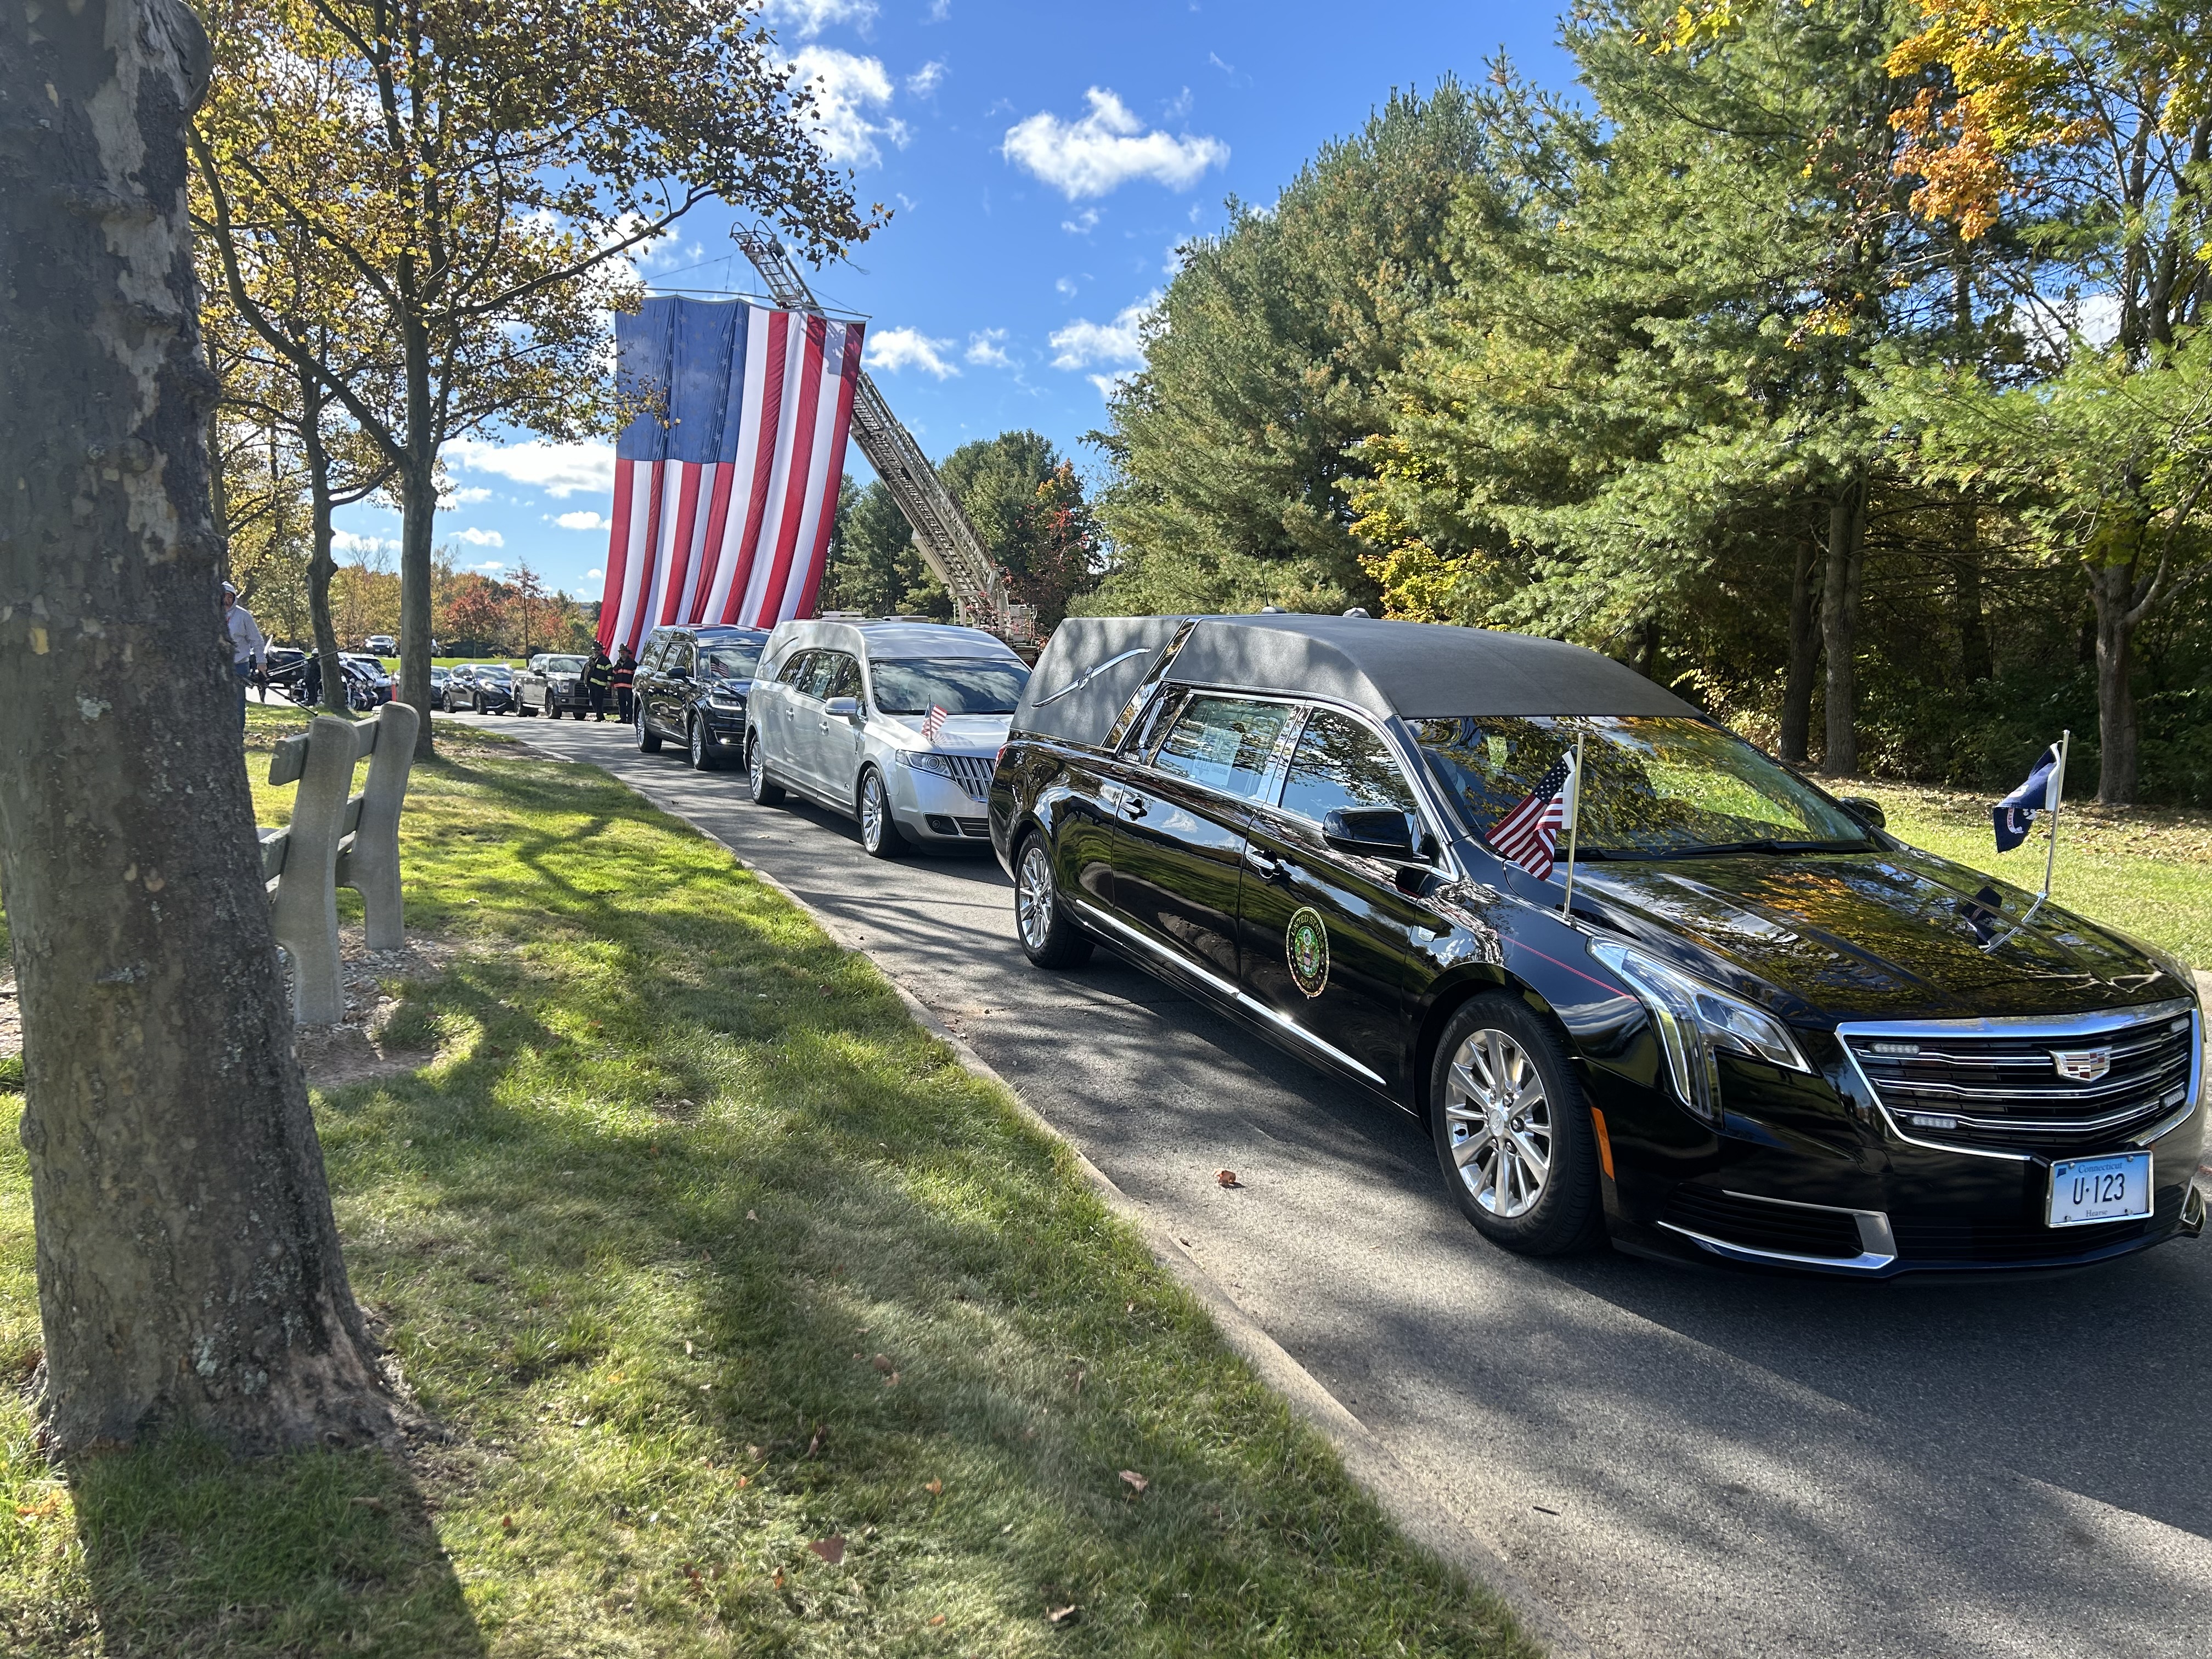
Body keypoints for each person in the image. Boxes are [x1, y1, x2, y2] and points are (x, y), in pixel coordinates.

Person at [221, 581, 266, 730]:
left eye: (230, 597)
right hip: (218, 666)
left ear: (234, 598)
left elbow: (257, 640)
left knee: (238, 702)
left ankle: (237, 734)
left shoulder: (243, 616)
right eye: (224, 597)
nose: (227, 601)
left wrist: (261, 661)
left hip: (239, 665)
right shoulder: (212, 615)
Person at [584, 644, 613, 721]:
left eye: (598, 650)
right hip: (592, 684)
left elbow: (610, 671)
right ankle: (599, 715)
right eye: (595, 650)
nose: (597, 651)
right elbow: (587, 671)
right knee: (593, 700)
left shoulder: (605, 660)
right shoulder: (592, 660)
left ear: (602, 650)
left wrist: (609, 682)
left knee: (598, 701)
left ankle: (600, 717)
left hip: (600, 685)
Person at [612, 644, 636, 725]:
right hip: (620, 687)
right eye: (621, 652)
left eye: (624, 652)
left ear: (628, 653)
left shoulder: (633, 664)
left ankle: (629, 719)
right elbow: (614, 673)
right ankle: (622, 718)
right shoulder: (618, 663)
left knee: (629, 703)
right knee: (621, 703)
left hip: (629, 687)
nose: (622, 653)